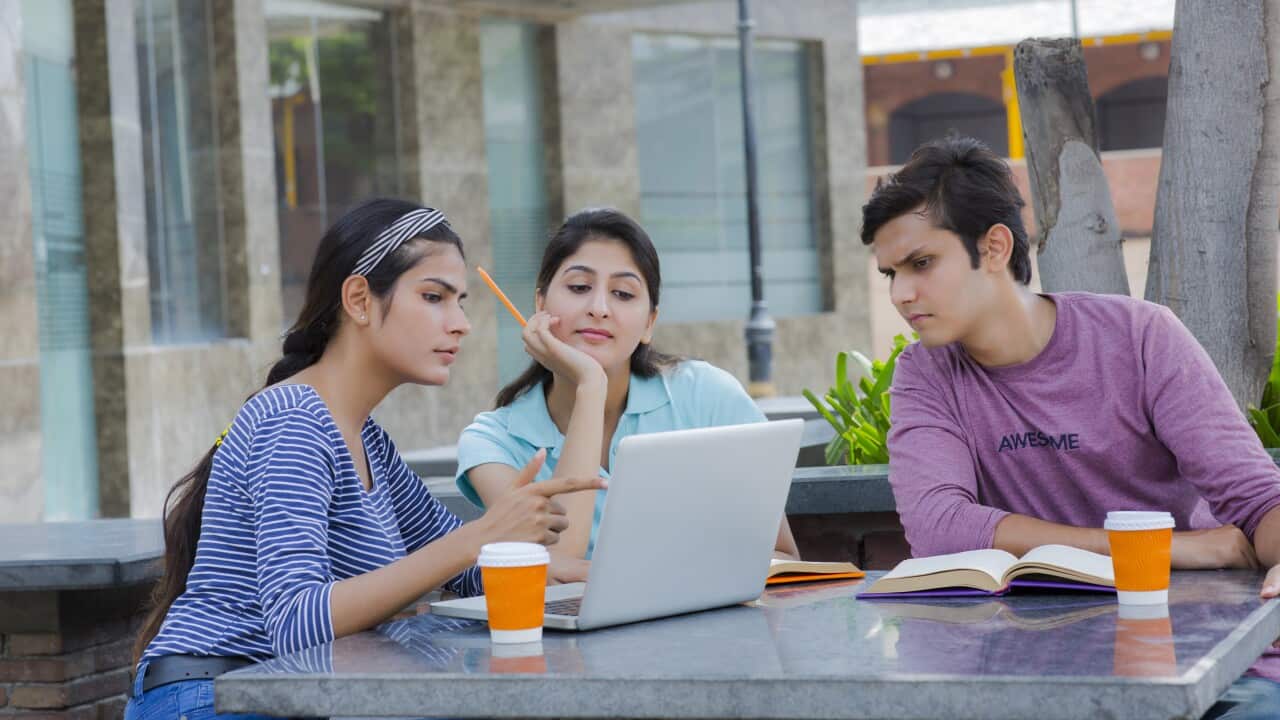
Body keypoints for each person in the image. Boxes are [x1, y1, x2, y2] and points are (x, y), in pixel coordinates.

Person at [126, 198, 603, 720]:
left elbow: (468, 571)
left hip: (277, 696)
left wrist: (593, 577)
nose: (461, 323)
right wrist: (481, 537)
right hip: (211, 700)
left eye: (460, 301)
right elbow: (297, 622)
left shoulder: (368, 439)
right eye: (434, 297)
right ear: (358, 299)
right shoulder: (294, 419)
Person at [861, 135, 1280, 718]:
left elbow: (1259, 501)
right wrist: (1168, 551)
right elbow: (939, 526)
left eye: (922, 263)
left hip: (1200, 657)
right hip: (1027, 671)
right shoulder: (925, 374)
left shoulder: (1139, 336)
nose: (902, 294)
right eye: (890, 274)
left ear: (994, 247)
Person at [456, 208, 799, 580]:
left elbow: (784, 556)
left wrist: (639, 577)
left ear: (649, 323)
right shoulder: (493, 443)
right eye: (579, 288)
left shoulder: (708, 397)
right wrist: (590, 385)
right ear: (540, 305)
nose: (599, 309)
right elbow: (551, 572)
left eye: (622, 293)